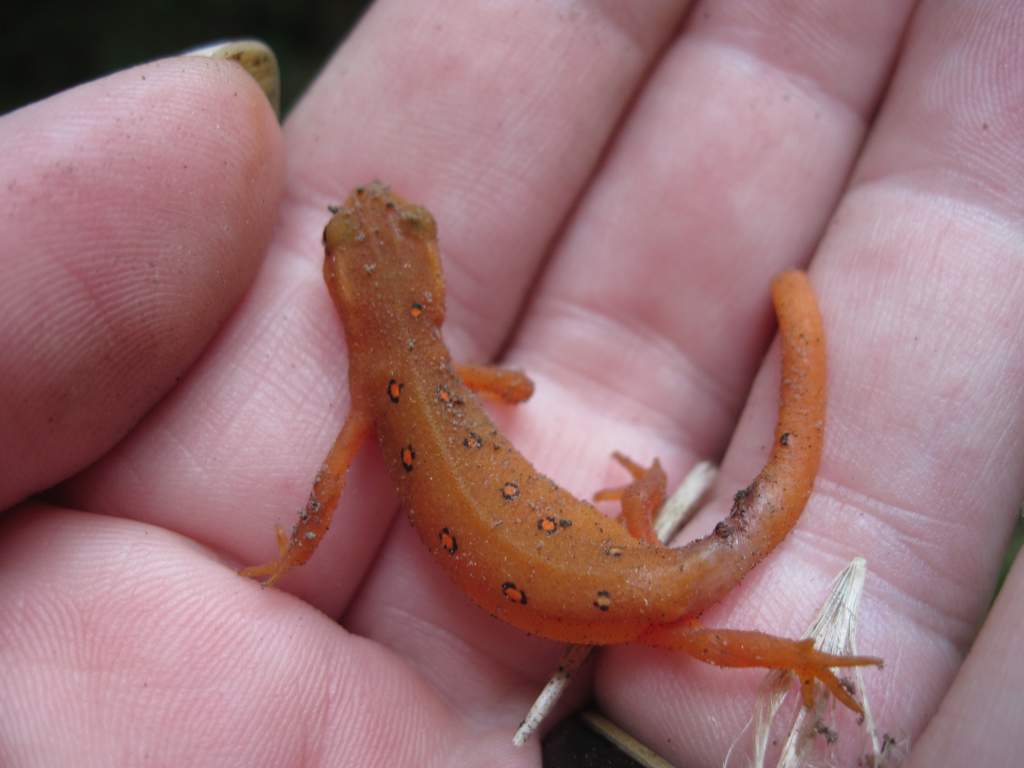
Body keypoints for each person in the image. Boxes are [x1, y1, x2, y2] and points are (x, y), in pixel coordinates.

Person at [1, 3, 1021, 766]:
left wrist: (288, 560)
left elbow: (322, 504)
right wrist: (501, 397)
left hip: (626, 579)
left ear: (339, 294)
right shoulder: (441, 368)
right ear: (418, 290)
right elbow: (522, 393)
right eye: (358, 234)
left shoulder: (373, 398)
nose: (371, 213)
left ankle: (784, 648)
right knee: (674, 624)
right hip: (628, 569)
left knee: (672, 622)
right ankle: (784, 647)